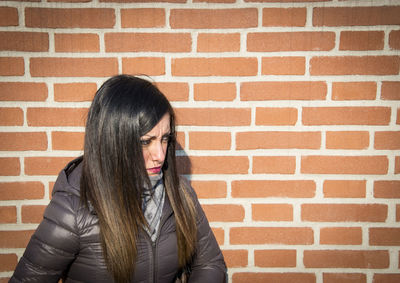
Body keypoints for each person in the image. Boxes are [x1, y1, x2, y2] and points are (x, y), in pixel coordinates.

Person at [10, 75, 226, 283]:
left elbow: (210, 264)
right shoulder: (73, 210)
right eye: (145, 141)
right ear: (114, 141)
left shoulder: (179, 193)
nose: (160, 155)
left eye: (165, 138)